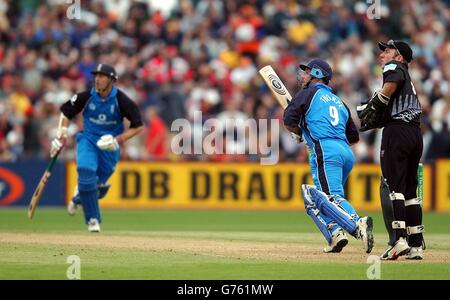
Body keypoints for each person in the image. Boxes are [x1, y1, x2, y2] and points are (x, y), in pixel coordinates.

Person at [283, 58, 374, 254]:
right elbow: (353, 137)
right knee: (313, 197)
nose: (304, 76)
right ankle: (334, 233)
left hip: (324, 149)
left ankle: (358, 224)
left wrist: (299, 133)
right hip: (345, 152)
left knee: (330, 197)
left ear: (317, 74)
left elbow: (288, 120)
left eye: (307, 72)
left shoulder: (307, 93)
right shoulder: (339, 101)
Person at [50, 64, 143, 232]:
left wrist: (118, 140)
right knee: (86, 171)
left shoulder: (122, 100)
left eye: (102, 76)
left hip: (109, 147)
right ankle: (93, 219)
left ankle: (78, 198)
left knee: (96, 187)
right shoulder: (86, 96)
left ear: (112, 80)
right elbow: (66, 113)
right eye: (96, 76)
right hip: (88, 140)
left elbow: (138, 126)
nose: (97, 79)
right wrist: (61, 136)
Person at [357, 40, 424, 260]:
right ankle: (415, 245)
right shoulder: (408, 79)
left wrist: (376, 103)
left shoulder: (394, 67)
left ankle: (399, 240)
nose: (382, 54)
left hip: (397, 132)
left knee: (393, 186)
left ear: (400, 56)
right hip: (415, 133)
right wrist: (377, 115)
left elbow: (389, 86)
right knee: (410, 192)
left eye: (387, 50)